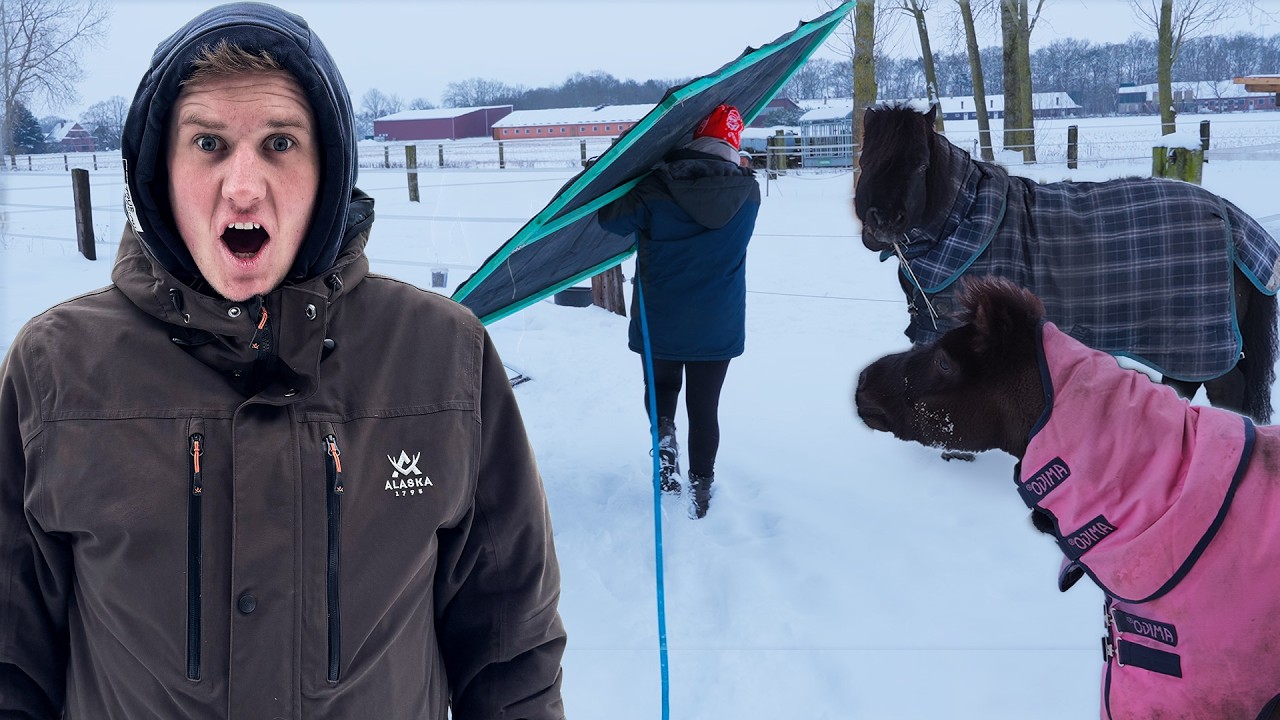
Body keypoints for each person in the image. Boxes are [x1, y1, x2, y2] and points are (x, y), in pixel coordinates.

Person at [0, 4, 565, 718]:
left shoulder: (443, 356)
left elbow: (509, 647)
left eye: (279, 143)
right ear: (157, 171)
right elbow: (12, 659)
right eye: (208, 143)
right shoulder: (55, 367)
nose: (242, 185)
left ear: (328, 169)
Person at [598, 104, 761, 519]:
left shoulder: (656, 188)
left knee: (663, 391)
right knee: (705, 406)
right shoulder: (749, 194)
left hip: (661, 318)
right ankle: (701, 487)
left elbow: (609, 218)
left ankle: (665, 442)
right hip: (717, 322)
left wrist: (645, 174)